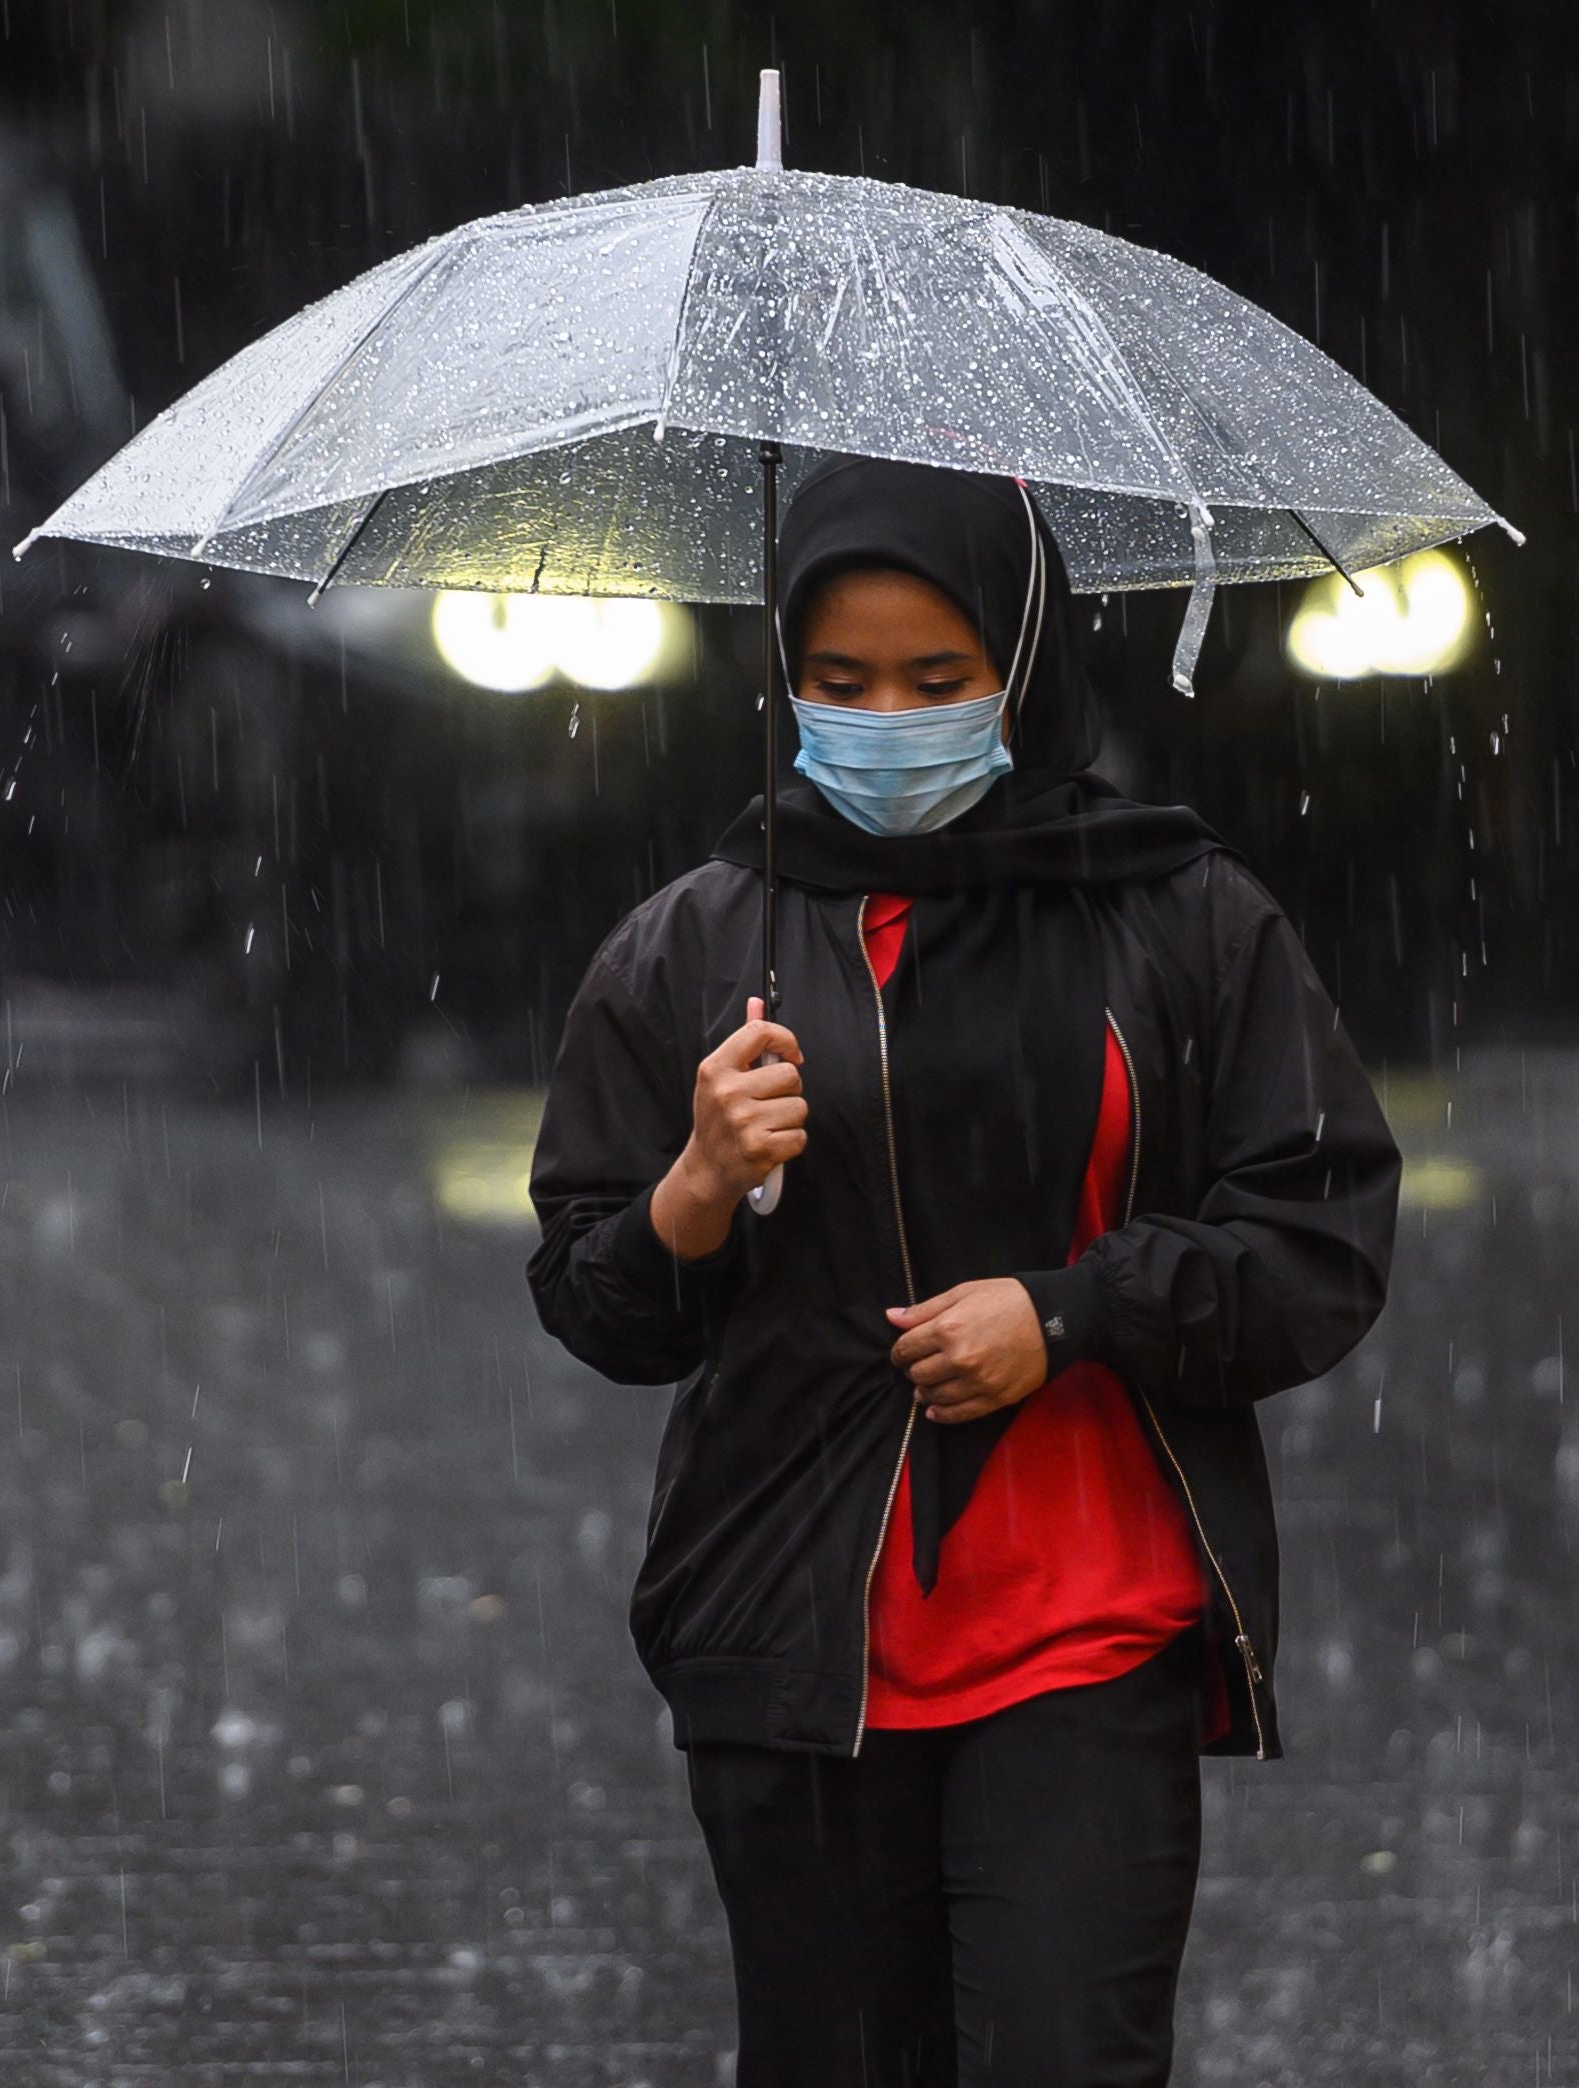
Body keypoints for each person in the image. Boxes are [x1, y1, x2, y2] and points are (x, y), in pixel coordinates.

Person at [526, 458, 1399, 2087]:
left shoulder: (1184, 918)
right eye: (837, 683)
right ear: (779, 682)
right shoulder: (692, 947)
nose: (884, 719)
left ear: (1029, 662)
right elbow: (596, 1304)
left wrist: (1071, 1313)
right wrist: (698, 1187)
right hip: (784, 1640)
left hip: (1089, 1628)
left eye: (939, 680)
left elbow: (1318, 1240)